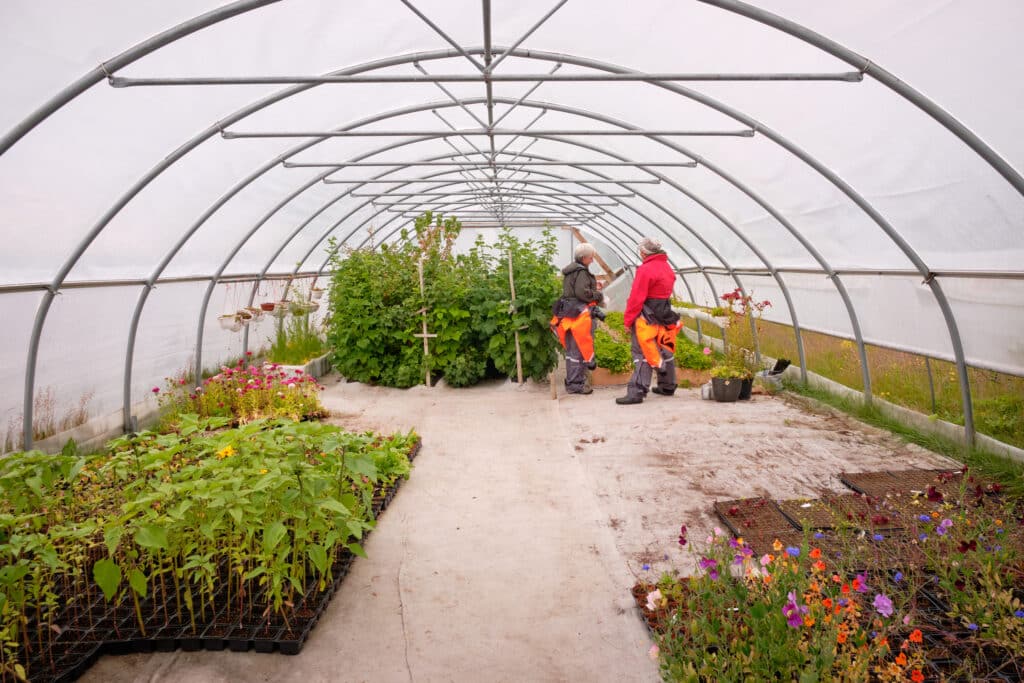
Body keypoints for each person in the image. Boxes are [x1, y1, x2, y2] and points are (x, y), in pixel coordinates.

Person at [616, 238, 681, 405]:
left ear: (644, 253)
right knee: (665, 348)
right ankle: (668, 385)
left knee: (641, 351)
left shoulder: (645, 269)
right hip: (664, 312)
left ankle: (637, 392)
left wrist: (628, 320)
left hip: (647, 314)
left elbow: (636, 298)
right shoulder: (666, 267)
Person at [550, 243, 605, 394]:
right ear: (583, 258)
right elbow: (582, 293)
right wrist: (597, 295)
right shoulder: (581, 272)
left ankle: (575, 381)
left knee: (573, 351)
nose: (592, 260)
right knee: (578, 350)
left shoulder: (572, 270)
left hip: (569, 313)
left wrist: (593, 288)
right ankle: (575, 384)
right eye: (591, 257)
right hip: (578, 315)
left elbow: (575, 291)